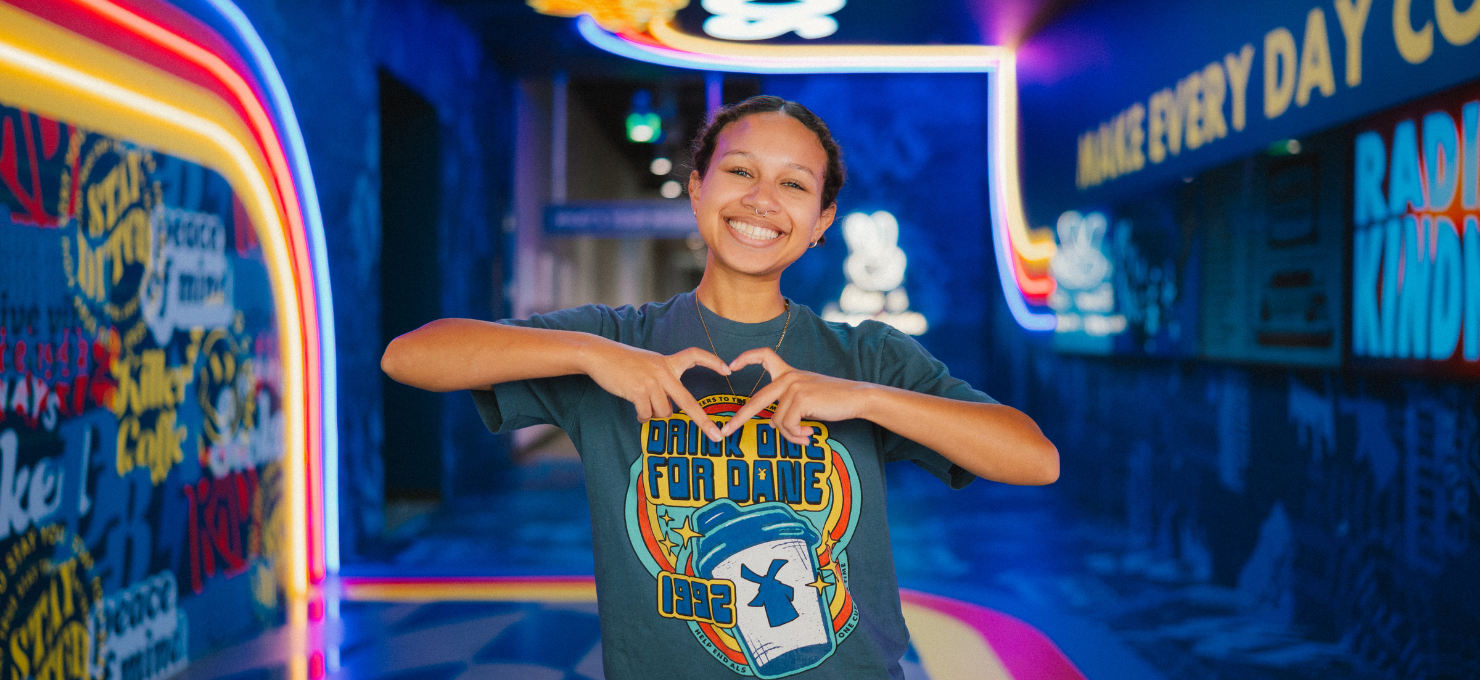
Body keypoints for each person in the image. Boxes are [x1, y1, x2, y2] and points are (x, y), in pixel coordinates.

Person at [381, 95, 1058, 679]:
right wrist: (593, 355)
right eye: (740, 172)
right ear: (696, 187)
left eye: (794, 184)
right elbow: (410, 357)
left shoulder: (867, 355)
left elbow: (1034, 458)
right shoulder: (617, 340)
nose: (762, 199)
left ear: (823, 221)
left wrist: (862, 398)